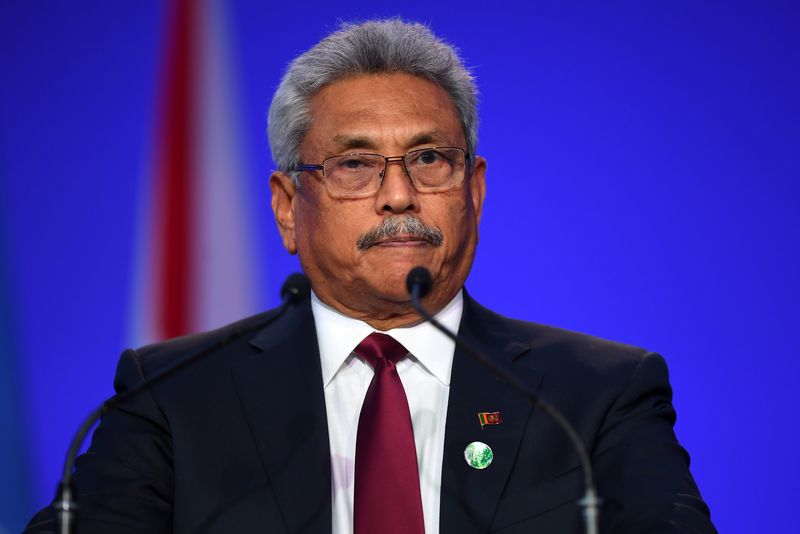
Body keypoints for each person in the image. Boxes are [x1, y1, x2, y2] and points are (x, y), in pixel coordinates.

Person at [26, 19, 716, 534]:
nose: (398, 195)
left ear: (473, 193)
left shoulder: (595, 397)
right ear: (289, 209)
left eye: (429, 159)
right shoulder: (174, 396)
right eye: (354, 165)